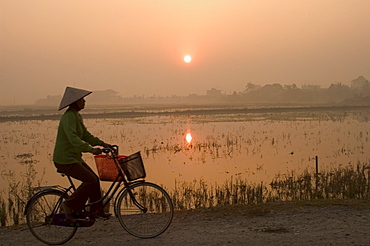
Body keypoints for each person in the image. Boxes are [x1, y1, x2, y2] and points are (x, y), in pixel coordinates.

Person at [53, 86, 110, 219]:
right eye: (82, 100)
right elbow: (73, 139)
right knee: (90, 180)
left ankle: (96, 211)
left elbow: (85, 135)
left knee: (94, 179)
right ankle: (69, 204)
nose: (84, 102)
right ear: (75, 102)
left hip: (74, 158)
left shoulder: (76, 116)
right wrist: (90, 149)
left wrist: (102, 143)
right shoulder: (68, 117)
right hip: (65, 160)